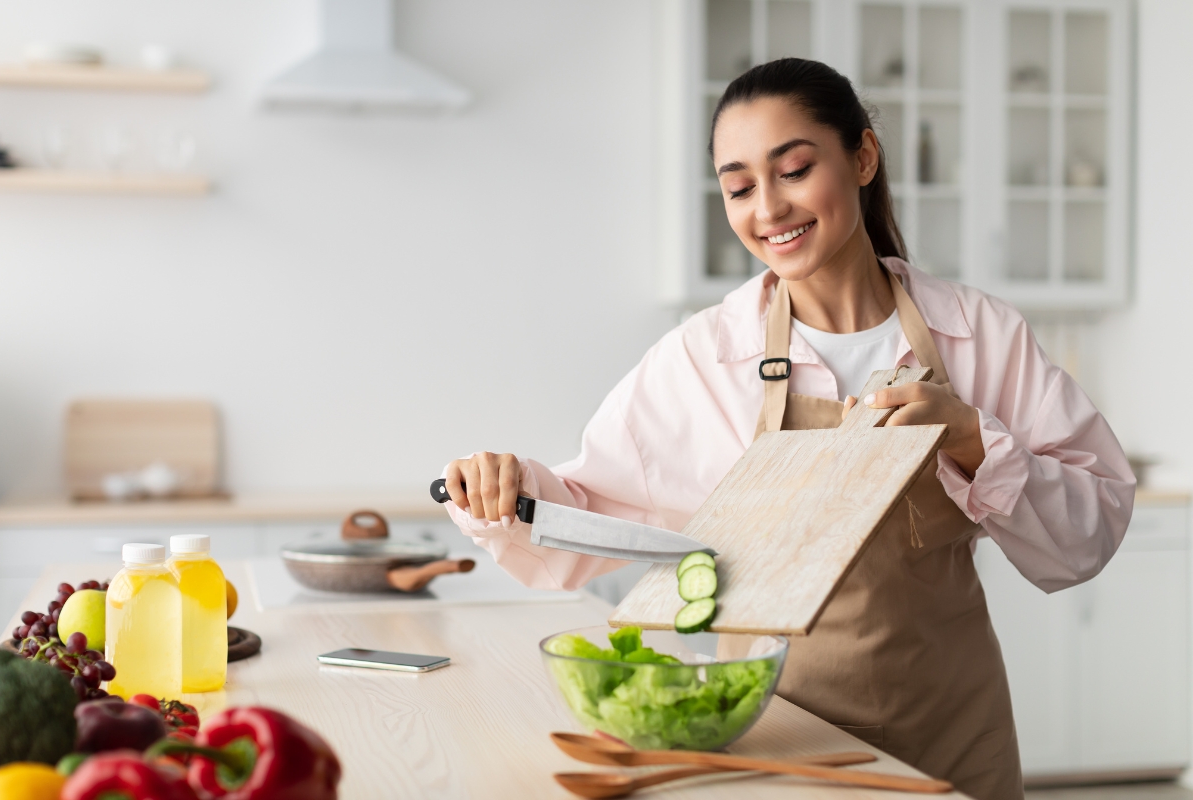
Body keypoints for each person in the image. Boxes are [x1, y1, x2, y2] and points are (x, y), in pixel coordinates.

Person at [439, 58, 1134, 800]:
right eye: (739, 187)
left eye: (793, 170)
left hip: (953, 736)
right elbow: (588, 512)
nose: (767, 208)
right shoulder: (705, 356)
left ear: (862, 157)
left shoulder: (978, 334)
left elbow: (1090, 527)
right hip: (777, 743)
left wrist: (972, 438)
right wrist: (506, 490)